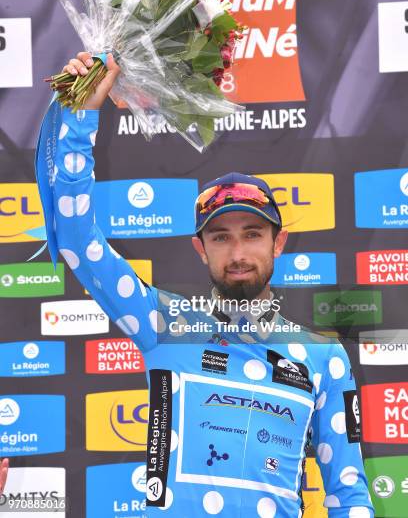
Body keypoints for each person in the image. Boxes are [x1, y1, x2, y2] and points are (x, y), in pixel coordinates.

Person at [42, 51, 374, 517]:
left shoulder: (323, 357)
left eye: (253, 235)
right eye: (221, 237)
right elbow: (76, 238)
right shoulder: (162, 322)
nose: (238, 254)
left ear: (278, 244)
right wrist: (81, 117)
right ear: (201, 249)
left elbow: (348, 496)